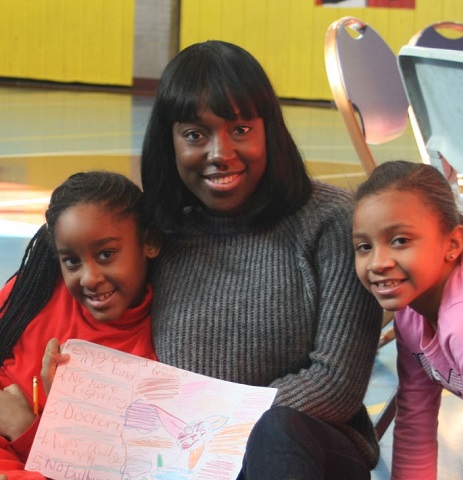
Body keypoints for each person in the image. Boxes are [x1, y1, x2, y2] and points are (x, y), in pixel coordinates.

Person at [141, 39, 383, 479]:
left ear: (268, 129)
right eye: (195, 134)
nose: (220, 153)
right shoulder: (156, 234)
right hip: (187, 456)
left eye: (241, 129)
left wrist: (220, 426)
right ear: (169, 141)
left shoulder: (333, 223)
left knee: (277, 431)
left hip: (303, 453)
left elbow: (336, 385)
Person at [0, 170, 160, 479]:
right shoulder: (29, 297)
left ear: (149, 243)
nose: (89, 278)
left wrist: (24, 429)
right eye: (71, 261)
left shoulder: (159, 346)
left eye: (106, 254)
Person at [352, 160, 463, 480]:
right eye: (365, 246)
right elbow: (415, 420)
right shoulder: (410, 316)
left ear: (452, 244)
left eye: (400, 240)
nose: (378, 262)